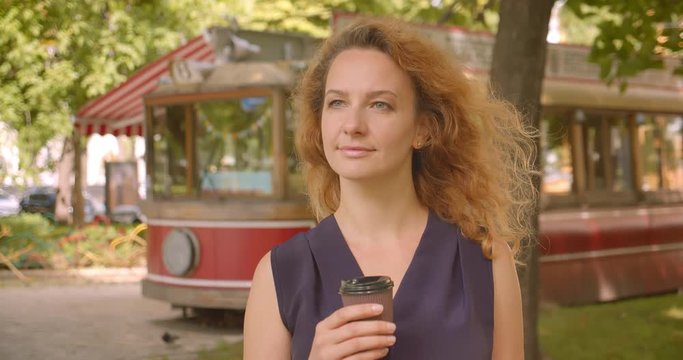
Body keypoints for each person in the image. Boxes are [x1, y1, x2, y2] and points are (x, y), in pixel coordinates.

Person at [244, 17, 536, 360]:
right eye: (337, 102)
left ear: (423, 129)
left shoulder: (485, 261)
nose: (352, 125)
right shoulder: (279, 274)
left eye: (379, 104)